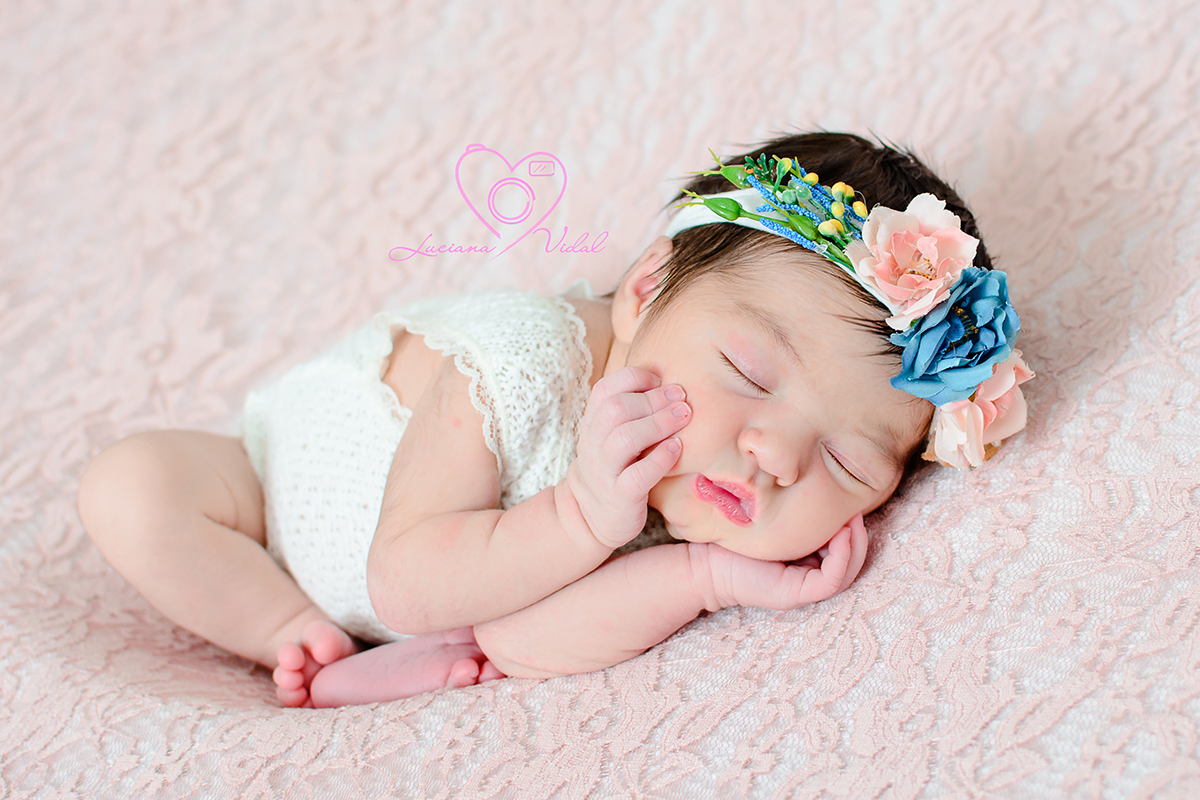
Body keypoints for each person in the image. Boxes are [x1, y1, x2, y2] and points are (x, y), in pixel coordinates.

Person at [76, 132, 1033, 709]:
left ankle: (354, 669)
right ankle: (288, 632)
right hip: (268, 498)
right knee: (131, 487)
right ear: (647, 290)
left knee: (483, 635)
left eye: (848, 461)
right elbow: (407, 583)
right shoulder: (528, 360)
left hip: (444, 610)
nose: (775, 456)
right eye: (747, 369)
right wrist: (581, 516)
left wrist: (701, 576)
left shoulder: (672, 500)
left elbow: (519, 646)